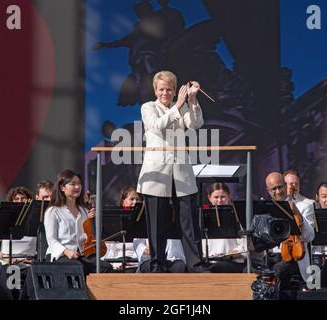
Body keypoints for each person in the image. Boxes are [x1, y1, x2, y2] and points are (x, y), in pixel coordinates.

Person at [136, 70, 208, 272]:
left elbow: (195, 124)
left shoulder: (183, 105)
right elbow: (156, 126)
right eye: (161, 89)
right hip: (157, 172)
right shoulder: (148, 107)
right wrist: (177, 106)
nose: (165, 93)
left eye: (169, 89)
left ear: (176, 90)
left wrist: (192, 99)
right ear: (155, 90)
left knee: (189, 222)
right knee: (157, 222)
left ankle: (195, 264)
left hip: (181, 172)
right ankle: (157, 264)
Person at [44, 169, 112, 274]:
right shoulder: (53, 211)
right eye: (73, 184)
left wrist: (92, 223)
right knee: (78, 267)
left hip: (81, 255)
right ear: (62, 187)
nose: (77, 187)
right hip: (60, 255)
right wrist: (66, 251)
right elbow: (51, 240)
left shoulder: (84, 210)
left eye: (79, 184)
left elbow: (85, 237)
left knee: (106, 267)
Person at [265, 172, 315, 290]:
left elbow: (309, 236)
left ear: (285, 186)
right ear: (268, 191)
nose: (278, 192)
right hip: (270, 256)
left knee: (277, 270)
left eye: (280, 187)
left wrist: (297, 213)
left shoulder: (304, 207)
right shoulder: (265, 208)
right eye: (273, 189)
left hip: (294, 259)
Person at [0, 185, 36, 266]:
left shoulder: (34, 220)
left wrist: (35, 261)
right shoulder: (3, 219)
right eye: (16, 199)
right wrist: (6, 258)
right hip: (8, 265)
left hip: (30, 266)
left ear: (29, 200)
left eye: (23, 198)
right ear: (11, 201)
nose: (20, 201)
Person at [202, 183, 247, 273]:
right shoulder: (203, 217)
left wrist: (231, 254)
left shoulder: (237, 216)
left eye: (223, 197)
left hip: (232, 262)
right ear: (209, 198)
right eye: (216, 197)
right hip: (209, 262)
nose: (219, 200)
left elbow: (244, 246)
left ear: (229, 196)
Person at [101, 186, 139, 272]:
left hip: (136, 261)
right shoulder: (114, 219)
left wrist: (134, 264)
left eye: (137, 199)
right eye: (132, 199)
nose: (135, 202)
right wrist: (116, 264)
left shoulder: (142, 220)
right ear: (123, 201)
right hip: (116, 260)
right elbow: (110, 247)